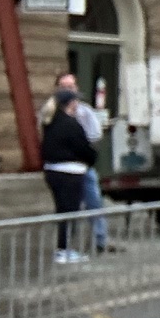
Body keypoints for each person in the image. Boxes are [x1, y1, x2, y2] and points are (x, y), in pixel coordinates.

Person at [56, 72, 114, 254]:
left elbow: (95, 135)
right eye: (64, 87)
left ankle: (101, 240)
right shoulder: (51, 112)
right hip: (62, 168)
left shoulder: (85, 112)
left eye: (71, 86)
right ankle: (67, 245)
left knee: (94, 201)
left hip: (83, 165)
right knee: (67, 207)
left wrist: (82, 146)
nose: (68, 90)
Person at [39, 87, 97, 264]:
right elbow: (84, 148)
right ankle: (64, 249)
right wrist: (92, 158)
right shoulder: (71, 124)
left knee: (61, 210)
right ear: (70, 103)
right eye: (75, 101)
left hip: (52, 171)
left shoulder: (49, 122)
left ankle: (62, 248)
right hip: (71, 172)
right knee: (70, 211)